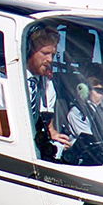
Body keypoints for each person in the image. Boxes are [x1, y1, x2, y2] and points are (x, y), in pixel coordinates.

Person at [26, 24, 71, 159]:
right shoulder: (3, 79)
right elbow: (2, 132)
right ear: (28, 51)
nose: (50, 60)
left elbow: (49, 127)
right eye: (45, 53)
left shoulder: (47, 84)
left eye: (53, 54)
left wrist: (58, 138)